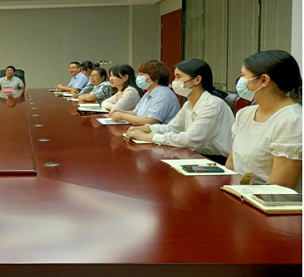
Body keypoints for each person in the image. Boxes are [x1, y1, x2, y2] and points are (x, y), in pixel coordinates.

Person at [126, 59, 234, 165]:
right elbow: (173, 128)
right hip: (195, 155)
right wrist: (148, 128)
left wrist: (148, 137)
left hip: (216, 160)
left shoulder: (212, 105)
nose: (174, 82)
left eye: (178, 77)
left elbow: (190, 139)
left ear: (197, 80)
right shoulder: (188, 104)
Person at [226, 50, 302, 191]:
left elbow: (279, 188)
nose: (239, 82)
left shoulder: (293, 120)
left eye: (243, 76)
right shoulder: (244, 114)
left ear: (264, 80)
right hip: (239, 193)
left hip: (264, 200)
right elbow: (231, 163)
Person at [110, 60, 180, 125]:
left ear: (155, 78)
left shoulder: (162, 94)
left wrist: (122, 116)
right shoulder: (148, 93)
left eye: (142, 74)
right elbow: (136, 113)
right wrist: (120, 112)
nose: (138, 77)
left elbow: (151, 122)